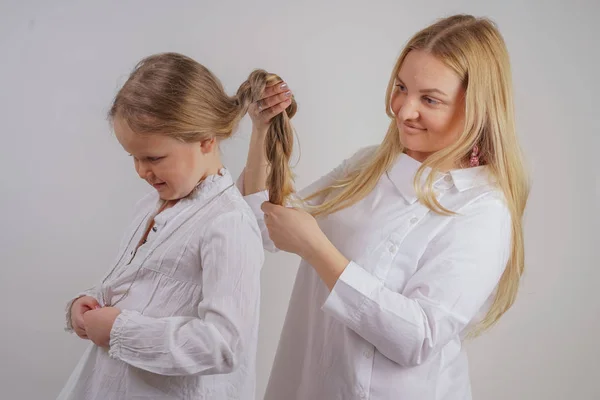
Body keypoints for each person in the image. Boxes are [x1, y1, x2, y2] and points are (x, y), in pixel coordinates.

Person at [240, 14, 529, 400]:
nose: (402, 110)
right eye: (401, 87)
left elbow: (418, 338)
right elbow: (265, 226)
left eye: (429, 99)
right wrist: (261, 131)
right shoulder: (370, 164)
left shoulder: (482, 210)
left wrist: (316, 249)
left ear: (477, 107)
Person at [58, 52, 295, 400]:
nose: (141, 171)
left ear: (206, 140)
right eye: (134, 158)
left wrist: (119, 331)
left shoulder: (228, 224)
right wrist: (91, 300)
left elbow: (224, 345)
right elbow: (136, 285)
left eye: (153, 158)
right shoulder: (150, 205)